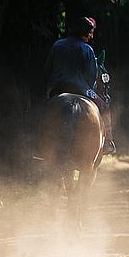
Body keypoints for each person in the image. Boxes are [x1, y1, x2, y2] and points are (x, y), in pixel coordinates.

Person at [44, 16, 114, 155]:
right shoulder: (87, 49)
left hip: (57, 88)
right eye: (91, 32)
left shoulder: (58, 45)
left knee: (42, 110)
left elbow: (47, 69)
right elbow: (91, 76)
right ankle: (108, 142)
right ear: (86, 32)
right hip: (82, 89)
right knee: (105, 108)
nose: (92, 35)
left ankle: (37, 143)